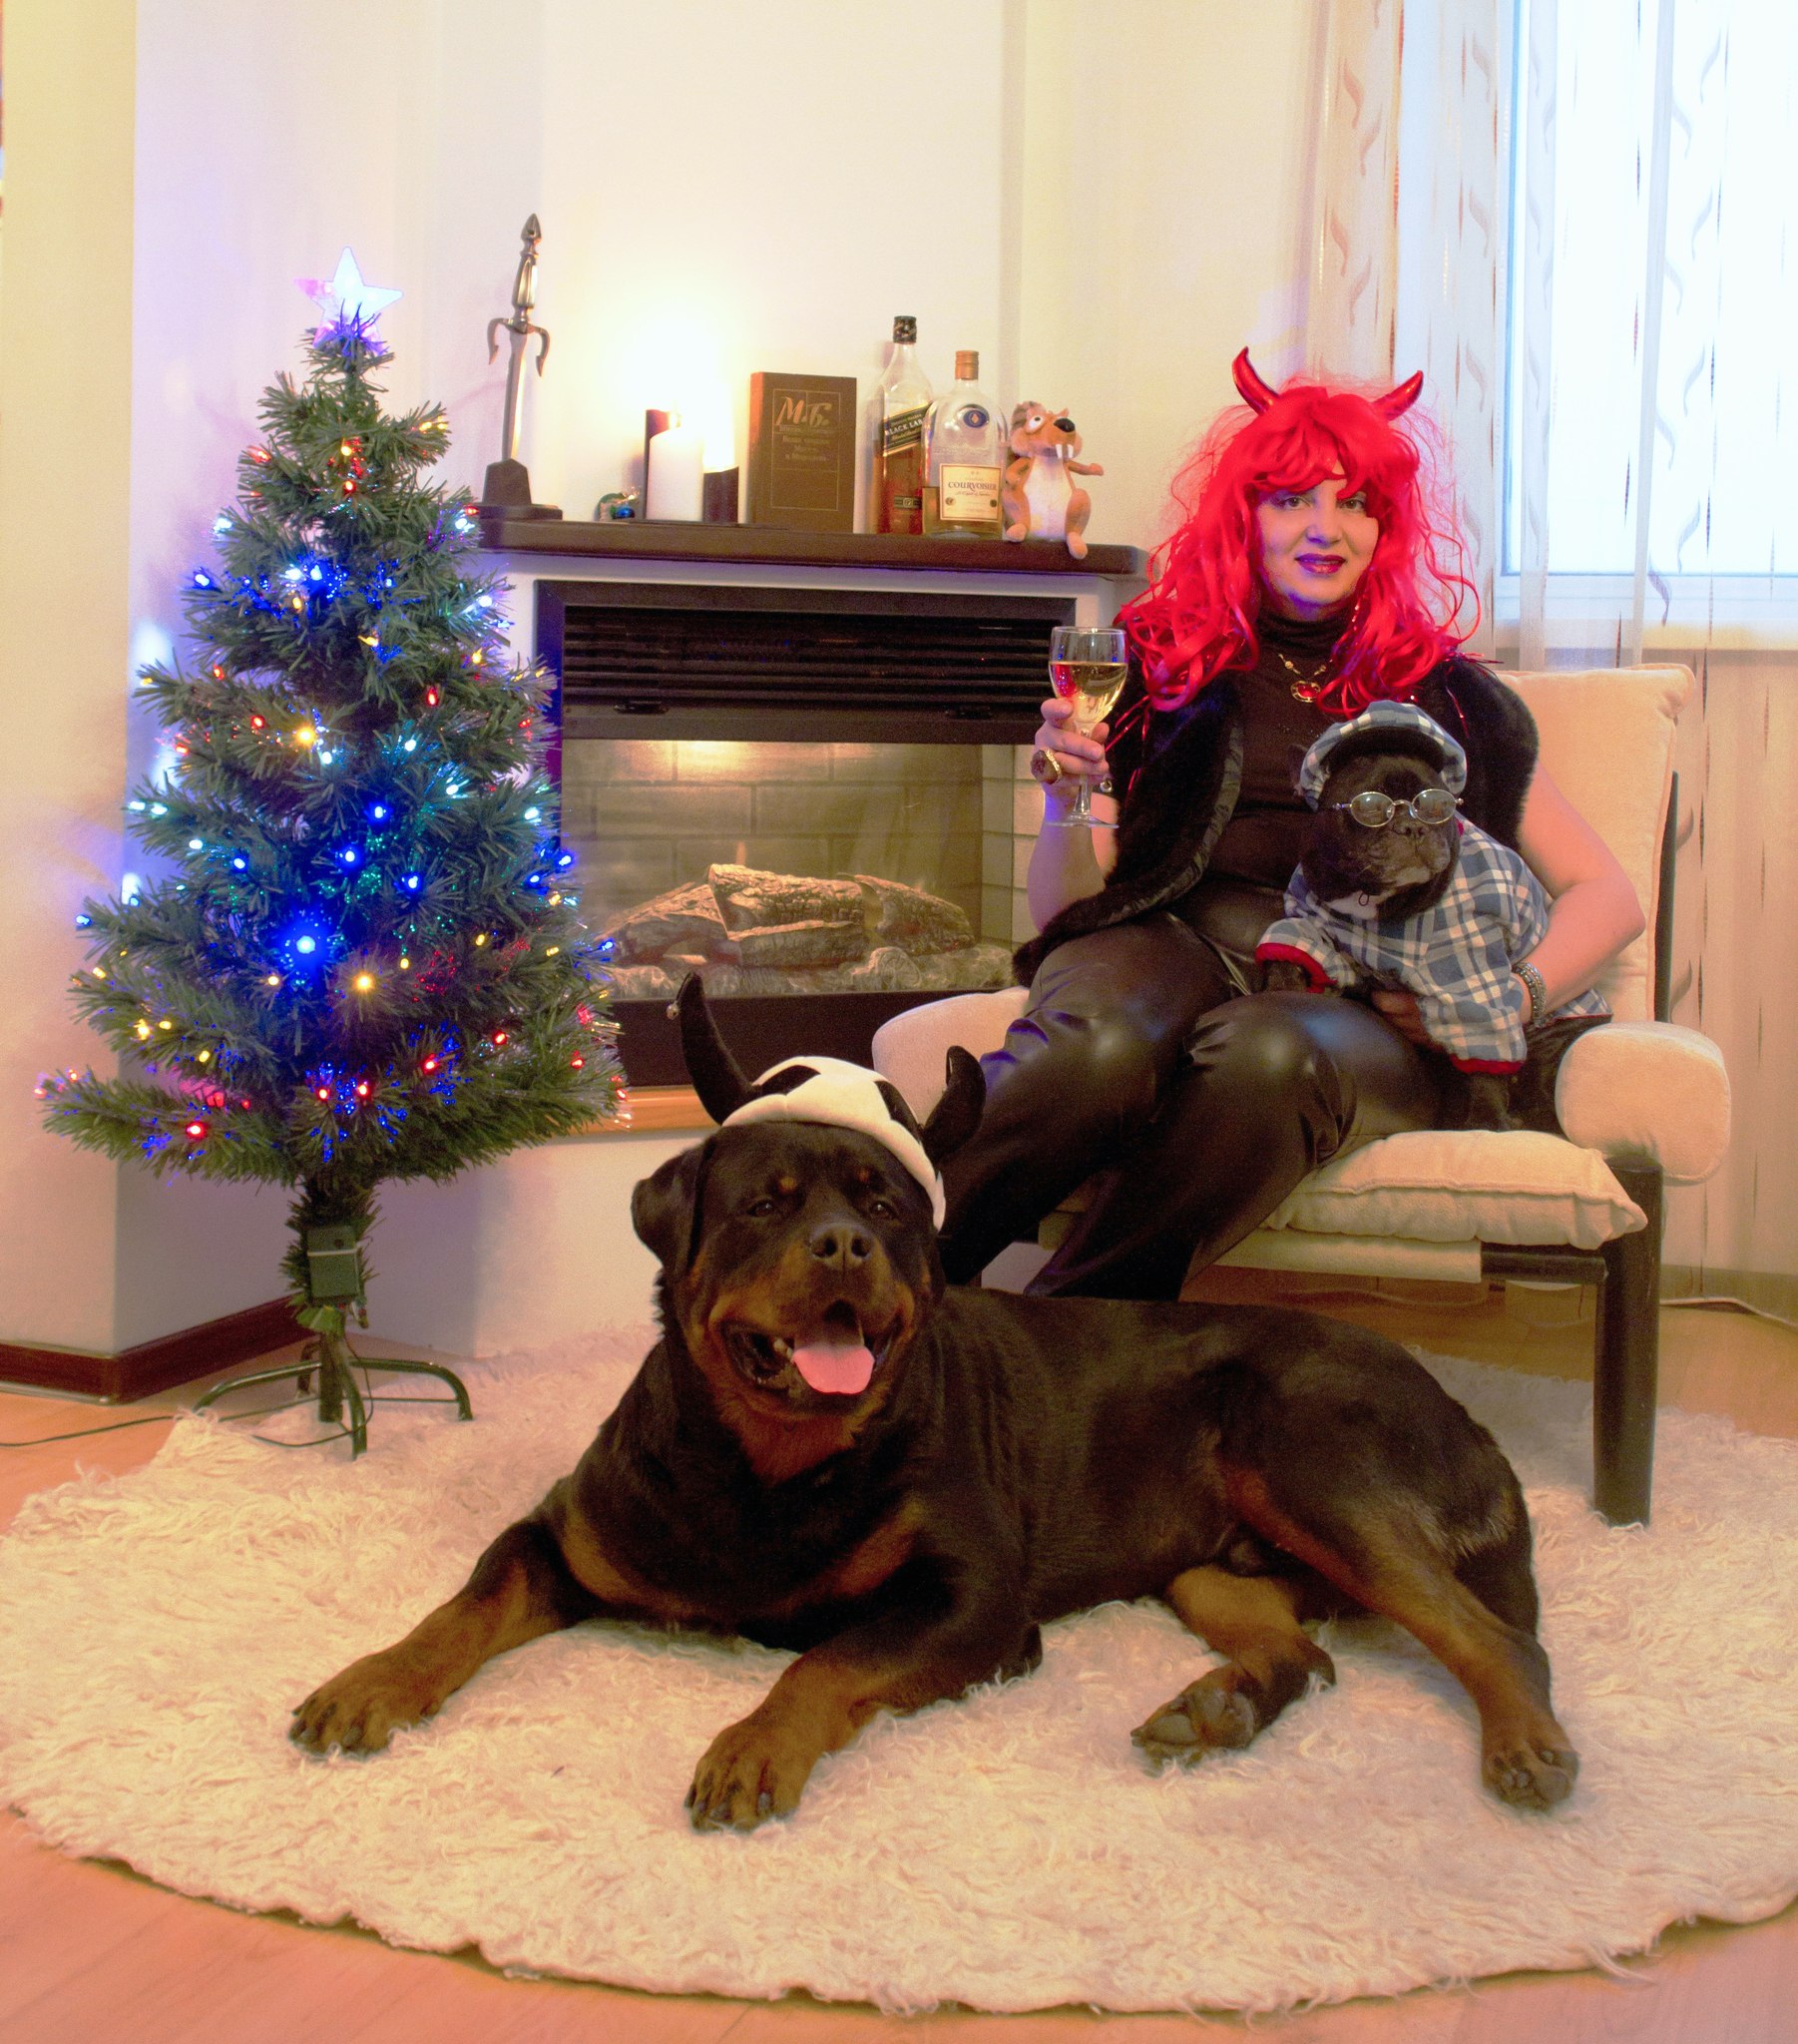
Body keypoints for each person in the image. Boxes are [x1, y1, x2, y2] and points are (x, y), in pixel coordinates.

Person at [936, 351, 1644, 1298]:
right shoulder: (1156, 663)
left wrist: (1509, 997)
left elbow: (1609, 896)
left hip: (1353, 994)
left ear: (1384, 528)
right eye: (1291, 500)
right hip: (1168, 940)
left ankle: (1063, 1338)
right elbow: (1066, 908)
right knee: (1098, 1050)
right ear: (1246, 517)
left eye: (1354, 503)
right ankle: (878, 1296)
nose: (1325, 528)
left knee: (1265, 1056)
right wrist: (1069, 794)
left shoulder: (1450, 697)